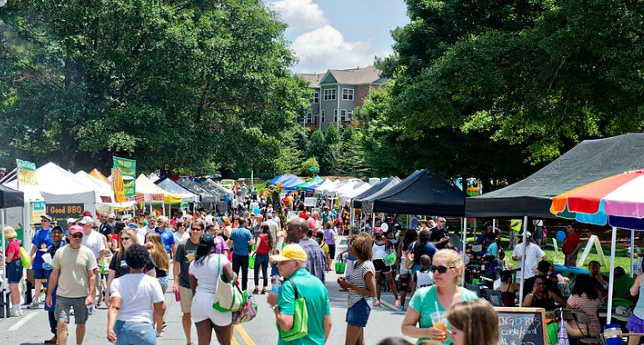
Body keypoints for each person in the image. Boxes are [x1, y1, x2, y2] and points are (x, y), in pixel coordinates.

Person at [401, 249, 478, 344]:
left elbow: (479, 332)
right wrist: (426, 332)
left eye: (442, 269)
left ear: (456, 271)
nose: (436, 273)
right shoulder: (422, 295)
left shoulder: (470, 298)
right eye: (433, 268)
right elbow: (406, 328)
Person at [267, 244, 332, 345]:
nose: (278, 265)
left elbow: (286, 324)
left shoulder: (288, 286)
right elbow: (328, 322)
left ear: (296, 264)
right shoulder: (319, 284)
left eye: (282, 262)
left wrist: (275, 305)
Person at [46, 225, 98, 345]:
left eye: (80, 236)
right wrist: (49, 294)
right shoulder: (60, 252)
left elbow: (92, 276)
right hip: (63, 295)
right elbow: (54, 274)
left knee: (81, 324)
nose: (77, 238)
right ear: (69, 236)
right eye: (75, 235)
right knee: (61, 324)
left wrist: (91, 295)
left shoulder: (88, 253)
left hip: (81, 295)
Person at [107, 244, 166, 345]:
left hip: (122, 327)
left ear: (128, 262)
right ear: (145, 262)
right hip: (143, 327)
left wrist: (109, 328)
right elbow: (160, 308)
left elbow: (114, 307)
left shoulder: (117, 282)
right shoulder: (152, 282)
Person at [189, 233, 234, 345]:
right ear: (214, 246)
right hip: (219, 302)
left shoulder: (194, 263)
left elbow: (193, 287)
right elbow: (231, 278)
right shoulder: (221, 259)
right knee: (225, 341)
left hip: (199, 302)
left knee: (203, 342)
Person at [337, 233, 376, 345]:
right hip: (355, 304)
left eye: (352, 246)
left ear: (359, 249)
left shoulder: (366, 266)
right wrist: (345, 282)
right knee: (359, 342)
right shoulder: (357, 263)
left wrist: (350, 286)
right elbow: (358, 283)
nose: (350, 248)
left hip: (361, 305)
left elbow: (372, 293)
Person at [106, 229, 156, 306]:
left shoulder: (141, 252)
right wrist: (107, 294)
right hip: (121, 291)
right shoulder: (117, 255)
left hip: (138, 291)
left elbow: (152, 271)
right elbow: (111, 275)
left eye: (126, 238)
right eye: (122, 239)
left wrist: (151, 290)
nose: (124, 241)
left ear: (133, 239)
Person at [174, 220, 204, 345]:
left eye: (198, 229)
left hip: (202, 285)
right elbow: (176, 264)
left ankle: (203, 339)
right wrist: (175, 281)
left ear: (202, 231)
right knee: (187, 313)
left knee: (203, 315)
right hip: (185, 284)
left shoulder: (205, 245)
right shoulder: (183, 245)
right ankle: (189, 340)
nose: (195, 231)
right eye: (193, 229)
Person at [43, 226, 66, 344]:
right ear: (51, 235)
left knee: (61, 311)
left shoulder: (66, 249)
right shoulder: (49, 249)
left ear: (62, 235)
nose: (56, 234)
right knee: (51, 310)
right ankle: (56, 335)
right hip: (51, 284)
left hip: (62, 284)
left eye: (58, 232)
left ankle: (61, 335)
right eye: (54, 233)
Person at [79, 216, 107, 311]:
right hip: (81, 262)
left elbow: (102, 251)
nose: (82, 226)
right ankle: (83, 303)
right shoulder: (80, 235)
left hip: (94, 262)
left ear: (90, 225)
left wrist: (99, 264)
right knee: (82, 284)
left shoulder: (97, 236)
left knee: (92, 284)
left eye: (84, 224)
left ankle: (91, 304)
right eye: (81, 224)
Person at [145, 232, 170, 337]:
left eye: (147, 239)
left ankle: (151, 326)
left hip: (156, 279)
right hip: (164, 279)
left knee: (153, 306)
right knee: (159, 305)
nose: (145, 241)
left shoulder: (150, 252)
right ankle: (159, 329)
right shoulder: (163, 251)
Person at [29, 214, 54, 309]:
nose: (43, 222)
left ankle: (50, 297)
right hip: (39, 257)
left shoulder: (52, 232)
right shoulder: (38, 232)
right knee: (37, 279)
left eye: (45, 221)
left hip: (48, 257)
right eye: (42, 221)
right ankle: (36, 299)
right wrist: (30, 256)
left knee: (49, 278)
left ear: (49, 222)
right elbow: (35, 246)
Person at [372, 227, 400, 307]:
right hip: (376, 261)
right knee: (378, 281)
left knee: (390, 281)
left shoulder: (386, 241)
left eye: (379, 233)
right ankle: (378, 299)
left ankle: (397, 299)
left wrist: (385, 239)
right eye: (376, 233)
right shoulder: (373, 241)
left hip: (386, 262)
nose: (378, 234)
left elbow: (390, 245)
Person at [408, 230, 437, 296]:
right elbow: (437, 255)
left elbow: (407, 253)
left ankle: (414, 299)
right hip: (428, 269)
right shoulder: (431, 247)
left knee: (414, 286)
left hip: (415, 267)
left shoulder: (413, 244)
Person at [228, 217, 253, 291]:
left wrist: (229, 250)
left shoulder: (234, 231)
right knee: (244, 273)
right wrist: (247, 243)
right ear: (244, 223)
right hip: (244, 255)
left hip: (236, 254)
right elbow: (251, 242)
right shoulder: (247, 232)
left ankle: (234, 289)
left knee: (235, 273)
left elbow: (230, 243)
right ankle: (244, 289)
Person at [3, 226, 23, 317]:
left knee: (13, 288)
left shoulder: (11, 244)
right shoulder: (16, 242)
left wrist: (2, 256)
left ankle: (15, 309)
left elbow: (9, 259)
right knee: (16, 288)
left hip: (13, 266)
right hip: (18, 265)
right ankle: (18, 308)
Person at [397, 229, 418, 310]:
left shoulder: (401, 244)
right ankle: (411, 306)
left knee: (403, 286)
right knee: (412, 287)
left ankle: (401, 305)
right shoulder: (415, 244)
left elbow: (398, 257)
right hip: (412, 265)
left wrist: (397, 269)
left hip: (403, 264)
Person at [253, 224, 273, 294]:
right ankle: (264, 288)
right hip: (266, 255)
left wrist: (255, 250)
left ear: (263, 229)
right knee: (265, 271)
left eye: (261, 228)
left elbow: (257, 244)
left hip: (259, 255)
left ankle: (256, 287)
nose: (260, 229)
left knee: (256, 271)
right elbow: (271, 247)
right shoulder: (269, 237)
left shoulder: (260, 236)